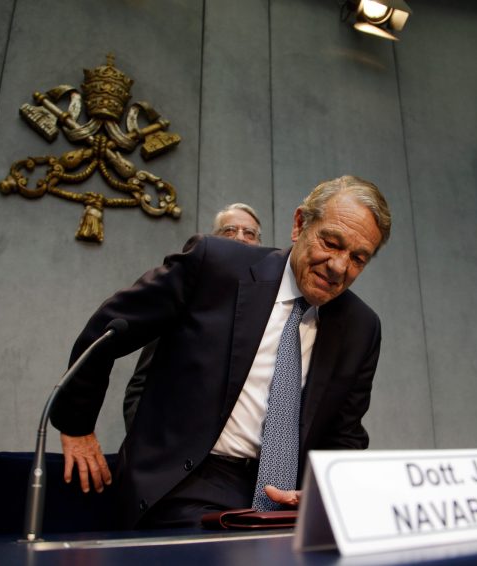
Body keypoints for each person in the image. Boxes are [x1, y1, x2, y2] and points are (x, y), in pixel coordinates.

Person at [50, 175, 391, 528]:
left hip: (288, 505)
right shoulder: (215, 265)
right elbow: (110, 329)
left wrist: (324, 490)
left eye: (358, 258)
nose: (339, 267)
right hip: (188, 482)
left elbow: (345, 435)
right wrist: (77, 424)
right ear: (300, 224)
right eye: (331, 243)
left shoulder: (362, 327)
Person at [122, 203, 263, 433]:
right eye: (229, 230)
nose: (240, 238)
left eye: (250, 233)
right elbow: (141, 384)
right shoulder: (184, 296)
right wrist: (144, 442)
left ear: (259, 245)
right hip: (172, 448)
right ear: (212, 240)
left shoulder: (270, 306)